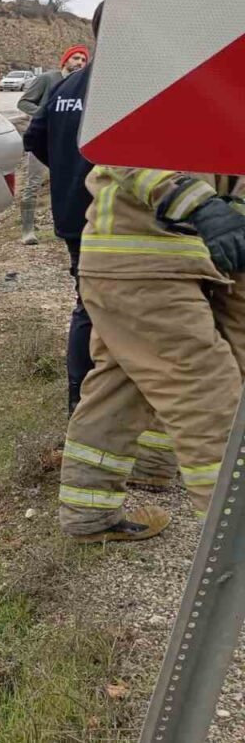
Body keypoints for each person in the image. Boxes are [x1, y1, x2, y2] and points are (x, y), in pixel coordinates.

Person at [57, 171, 245, 542]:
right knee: (208, 395)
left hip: (152, 258)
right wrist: (201, 204)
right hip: (145, 258)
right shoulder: (131, 109)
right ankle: (233, 555)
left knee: (121, 386)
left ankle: (92, 511)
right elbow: (123, 143)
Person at [23, 8, 103, 415]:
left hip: (72, 213)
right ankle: (93, 401)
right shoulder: (124, 86)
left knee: (86, 304)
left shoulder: (68, 86)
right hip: (111, 220)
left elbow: (34, 137)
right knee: (107, 310)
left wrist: (68, 167)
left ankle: (78, 400)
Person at [16, 45, 91, 244]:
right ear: (65, 60)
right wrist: (46, 115)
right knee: (33, 184)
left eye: (83, 60)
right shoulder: (48, 79)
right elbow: (23, 103)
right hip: (43, 138)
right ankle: (27, 230)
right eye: (75, 58)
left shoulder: (84, 84)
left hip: (68, 143)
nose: (79, 63)